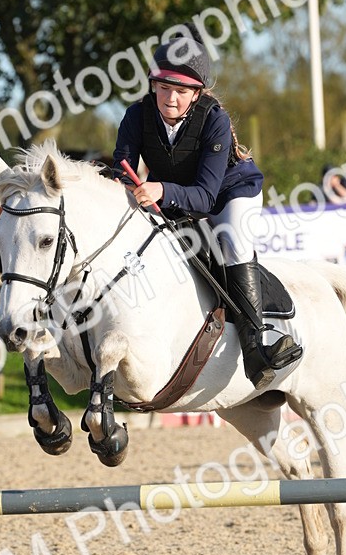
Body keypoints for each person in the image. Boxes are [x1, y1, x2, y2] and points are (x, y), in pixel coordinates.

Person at [113, 29, 302, 381]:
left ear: (197, 93)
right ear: (153, 85)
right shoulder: (135, 116)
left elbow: (205, 197)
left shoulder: (215, 120)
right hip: (171, 191)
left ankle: (255, 346)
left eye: (181, 92)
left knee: (232, 243)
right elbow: (121, 170)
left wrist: (159, 190)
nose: (170, 99)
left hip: (229, 192)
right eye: (164, 88)